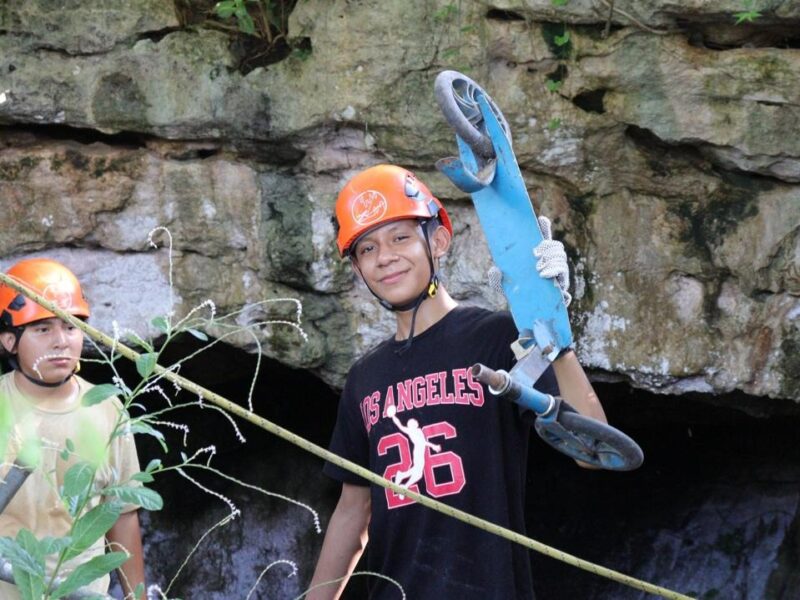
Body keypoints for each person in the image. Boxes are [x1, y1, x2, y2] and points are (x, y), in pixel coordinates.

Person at [308, 164, 608, 599]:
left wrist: (554, 335)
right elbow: (354, 511)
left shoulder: (497, 339)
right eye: (367, 248)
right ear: (357, 270)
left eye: (401, 237)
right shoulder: (364, 380)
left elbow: (593, 453)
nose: (385, 256)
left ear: (440, 240)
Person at [0, 258, 145, 599]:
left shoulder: (107, 411)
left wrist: (137, 597)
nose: (61, 341)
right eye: (42, 329)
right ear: (9, 341)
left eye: (70, 326)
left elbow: (122, 516)